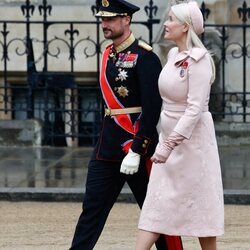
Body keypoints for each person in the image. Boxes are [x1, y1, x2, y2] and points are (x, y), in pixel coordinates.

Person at [70, 0, 183, 249]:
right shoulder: (108, 54)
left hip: (137, 147)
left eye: (110, 19)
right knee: (92, 209)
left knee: (155, 212)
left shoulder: (145, 57)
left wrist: (137, 149)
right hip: (108, 147)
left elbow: (152, 108)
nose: (104, 24)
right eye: (102, 19)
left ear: (126, 20)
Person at [136, 1, 224, 250]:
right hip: (168, 140)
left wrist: (168, 145)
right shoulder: (174, 55)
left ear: (185, 27)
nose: (166, 23)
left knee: (201, 211)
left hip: (192, 145)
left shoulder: (200, 60)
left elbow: (194, 110)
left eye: (171, 19)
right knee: (156, 204)